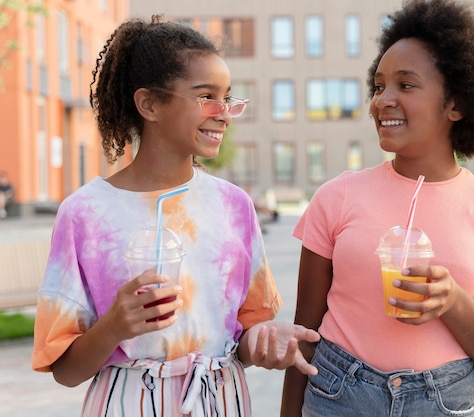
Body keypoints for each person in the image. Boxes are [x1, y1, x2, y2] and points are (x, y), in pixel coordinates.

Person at [31, 16, 319, 417]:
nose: (224, 113)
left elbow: (243, 339)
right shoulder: (84, 213)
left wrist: (266, 345)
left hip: (220, 402)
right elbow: (65, 370)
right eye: (206, 97)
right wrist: (114, 325)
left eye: (228, 98)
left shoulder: (234, 207)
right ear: (149, 103)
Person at [280, 0, 474, 416]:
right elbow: (304, 336)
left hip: (444, 402)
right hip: (336, 397)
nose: (382, 101)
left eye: (405, 85)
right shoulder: (337, 196)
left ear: (456, 104)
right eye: (379, 85)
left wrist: (453, 302)